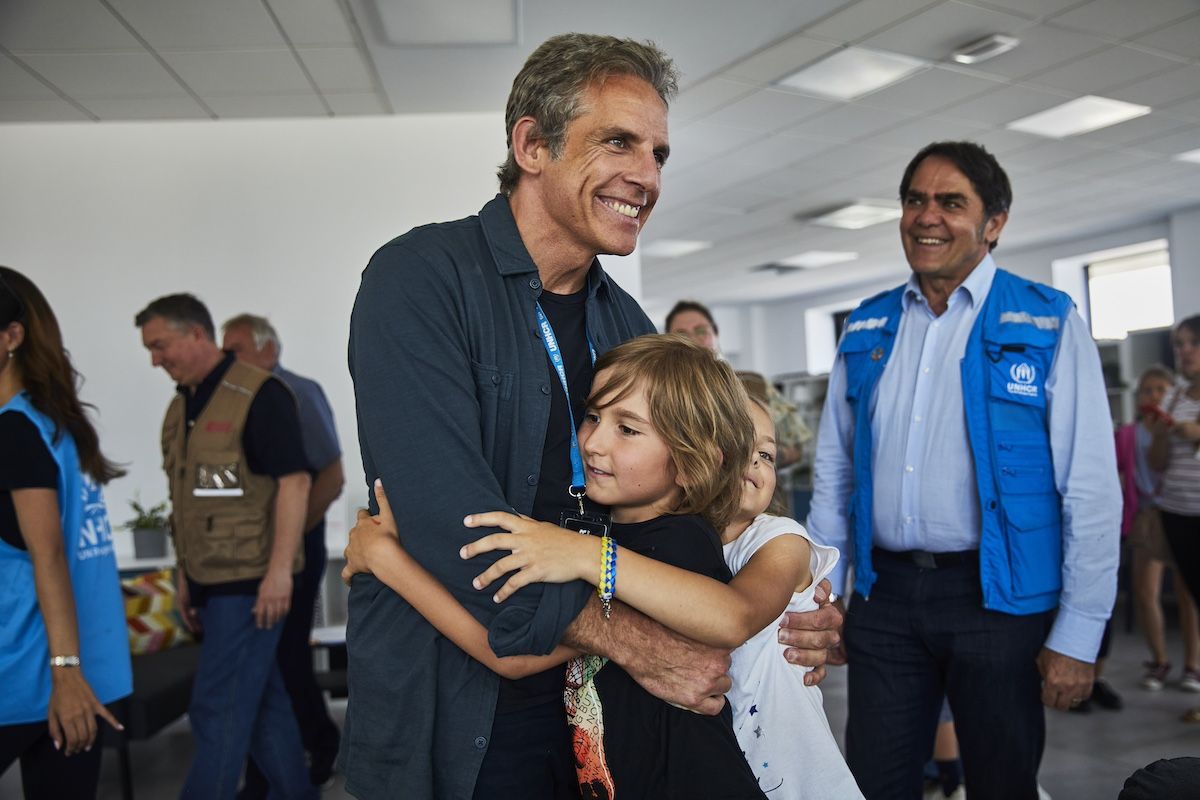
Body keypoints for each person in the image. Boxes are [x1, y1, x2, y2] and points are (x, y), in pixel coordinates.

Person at [343, 33, 841, 799]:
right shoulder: (420, 282)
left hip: (603, 723)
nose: (646, 176)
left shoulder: (633, 330)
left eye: (659, 154)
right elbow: (459, 530)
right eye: (619, 142)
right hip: (456, 718)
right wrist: (638, 639)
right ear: (532, 144)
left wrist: (788, 612)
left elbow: (708, 511)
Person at [348, 335, 859, 798]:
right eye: (593, 417)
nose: (593, 441)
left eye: (628, 429)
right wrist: (389, 560)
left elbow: (729, 617)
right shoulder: (604, 536)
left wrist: (587, 556)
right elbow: (512, 653)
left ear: (690, 459)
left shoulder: (676, 543)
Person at [807, 140, 1121, 799]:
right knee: (873, 781)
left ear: (994, 223)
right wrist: (823, 594)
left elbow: (1090, 491)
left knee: (1002, 783)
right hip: (885, 599)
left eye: (952, 203)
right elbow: (835, 479)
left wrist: (1079, 633)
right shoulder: (867, 327)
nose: (928, 217)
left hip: (997, 600)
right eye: (915, 201)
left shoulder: (1047, 321)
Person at [135, 294, 315, 800]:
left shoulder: (260, 394)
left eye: (160, 345)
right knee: (261, 705)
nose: (154, 359)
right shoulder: (181, 405)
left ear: (196, 334)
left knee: (216, 705)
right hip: (210, 583)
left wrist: (279, 573)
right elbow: (186, 503)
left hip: (251, 583)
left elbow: (295, 483)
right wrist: (184, 579)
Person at [0, 267, 131, 799]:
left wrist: (65, 671)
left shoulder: (14, 429)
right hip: (78, 671)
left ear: (12, 337)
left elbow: (49, 555)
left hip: (31, 671)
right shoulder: (56, 425)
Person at [221, 314, 344, 791]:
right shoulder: (237, 399)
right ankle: (277, 761)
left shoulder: (296, 392)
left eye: (234, 349)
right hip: (259, 550)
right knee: (272, 657)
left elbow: (330, 477)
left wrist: (287, 543)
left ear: (268, 351)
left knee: (288, 653)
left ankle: (319, 744)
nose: (225, 359)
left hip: (296, 546)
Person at [1119, 365, 1200, 694]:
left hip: (1180, 511)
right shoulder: (1131, 433)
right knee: (1144, 590)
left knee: (1187, 594)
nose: (1154, 396)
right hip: (1153, 516)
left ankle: (1192, 666)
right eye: (1147, 390)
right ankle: (1160, 659)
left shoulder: (1181, 420)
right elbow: (1138, 469)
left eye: (1160, 390)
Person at [666, 300, 813, 468]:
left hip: (758, 491)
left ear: (716, 335)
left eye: (701, 331)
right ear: (669, 341)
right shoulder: (663, 393)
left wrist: (763, 456)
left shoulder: (755, 384)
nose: (693, 340)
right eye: (682, 334)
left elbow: (796, 443)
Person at [1147, 315, 1200, 722]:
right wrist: (1164, 435)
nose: (1183, 352)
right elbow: (1157, 463)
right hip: (1178, 514)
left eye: (1190, 344)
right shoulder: (1174, 397)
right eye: (1179, 344)